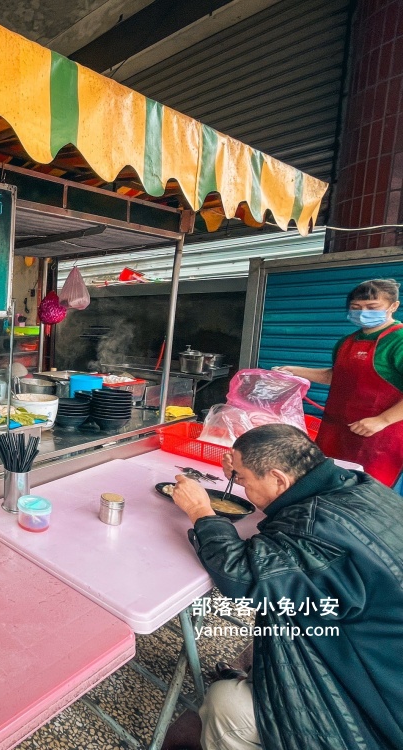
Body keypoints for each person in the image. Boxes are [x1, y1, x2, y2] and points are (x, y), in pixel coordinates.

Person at [170, 424, 403, 750]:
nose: (243, 488)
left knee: (227, 706)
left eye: (245, 482)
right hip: (380, 652)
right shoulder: (359, 487)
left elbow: (245, 576)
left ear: (279, 479)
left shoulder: (317, 528)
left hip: (377, 710)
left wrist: (200, 511)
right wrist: (245, 469)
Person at [276, 279, 403, 490]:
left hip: (379, 438)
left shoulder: (398, 341)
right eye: (356, 308)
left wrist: (382, 420)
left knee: (368, 495)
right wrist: (293, 370)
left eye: (372, 308)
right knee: (327, 488)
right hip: (336, 432)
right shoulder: (346, 341)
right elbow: (335, 376)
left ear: (393, 306)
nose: (363, 313)